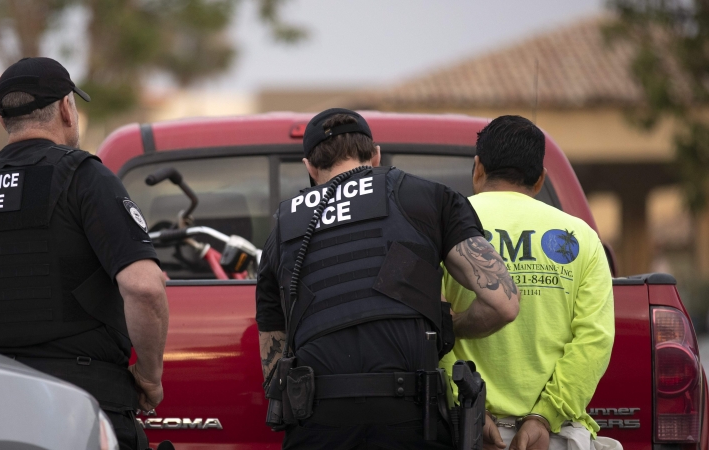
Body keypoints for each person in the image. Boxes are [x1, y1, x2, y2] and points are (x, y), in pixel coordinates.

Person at [0, 57, 169, 450]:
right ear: (65, 109)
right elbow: (144, 288)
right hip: (79, 412)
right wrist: (149, 377)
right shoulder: (85, 179)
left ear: (7, 119)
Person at [255, 108, 521, 450]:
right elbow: (505, 303)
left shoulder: (282, 227)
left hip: (319, 424)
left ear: (309, 166)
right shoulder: (427, 196)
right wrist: (453, 325)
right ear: (375, 154)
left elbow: (273, 370)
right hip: (412, 419)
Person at [441, 115, 616, 450]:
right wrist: (545, 416)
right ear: (539, 180)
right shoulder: (581, 237)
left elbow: (428, 330)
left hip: (469, 433)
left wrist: (472, 412)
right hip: (553, 437)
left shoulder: (442, 227)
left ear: (478, 168)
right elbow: (596, 338)